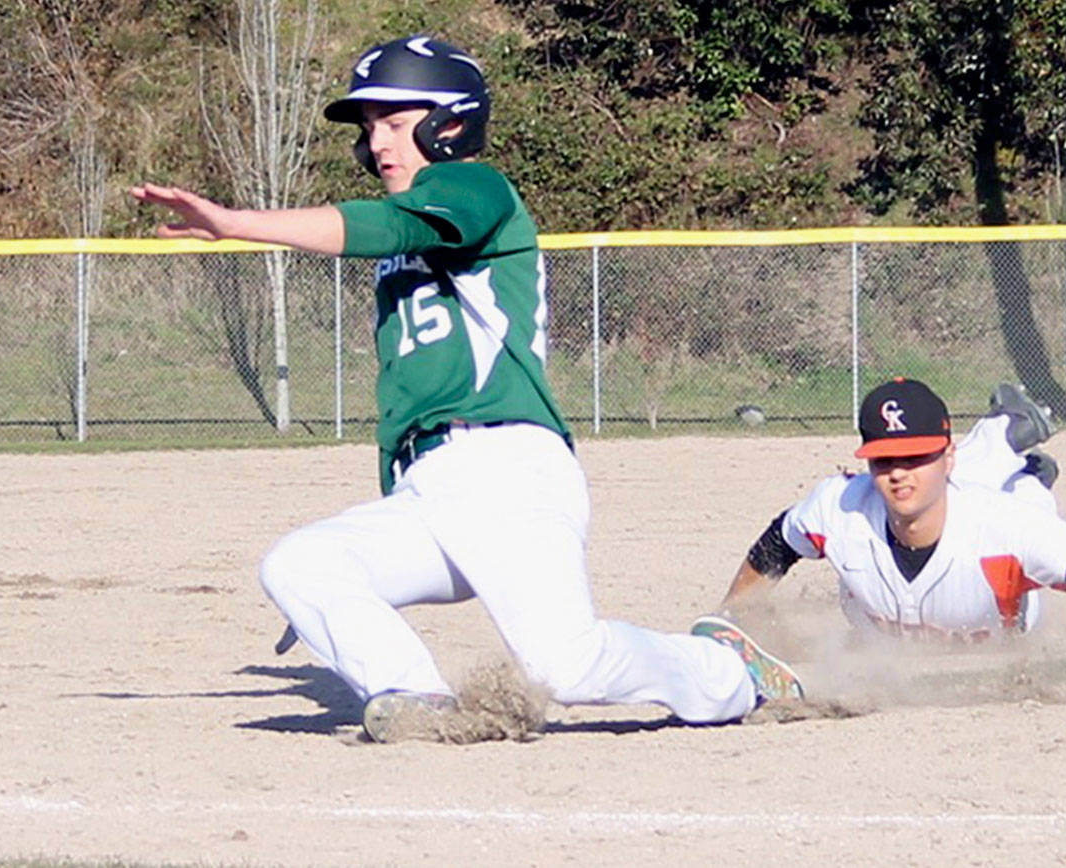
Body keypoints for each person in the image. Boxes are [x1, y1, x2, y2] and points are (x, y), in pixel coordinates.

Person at [132, 35, 801, 741]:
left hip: (506, 469)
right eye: (368, 129)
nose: (376, 143)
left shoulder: (476, 189)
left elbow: (389, 224)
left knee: (568, 669)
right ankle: (418, 698)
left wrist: (239, 224)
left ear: (449, 122)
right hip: (434, 487)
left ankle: (727, 670)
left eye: (393, 122)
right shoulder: (405, 223)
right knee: (304, 563)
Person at [714, 376, 1066, 648]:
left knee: (1001, 493)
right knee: (929, 491)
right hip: (949, 498)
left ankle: (1014, 443)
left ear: (943, 452)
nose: (897, 471)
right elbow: (777, 542)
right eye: (884, 460)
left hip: (1001, 527)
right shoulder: (839, 507)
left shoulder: (1010, 528)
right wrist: (734, 616)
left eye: (914, 454)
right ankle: (1004, 439)